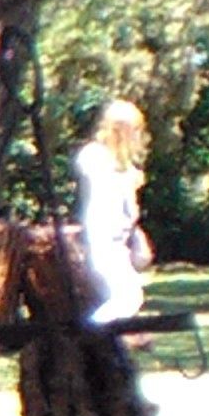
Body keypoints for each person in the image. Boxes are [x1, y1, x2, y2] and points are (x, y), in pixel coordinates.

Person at [69, 98, 153, 325]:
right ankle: (89, 332)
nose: (137, 137)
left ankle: (105, 341)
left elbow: (129, 213)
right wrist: (126, 180)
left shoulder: (123, 168)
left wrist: (138, 238)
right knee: (127, 298)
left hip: (118, 244)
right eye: (133, 131)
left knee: (129, 298)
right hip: (102, 241)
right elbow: (100, 184)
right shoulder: (96, 156)